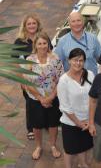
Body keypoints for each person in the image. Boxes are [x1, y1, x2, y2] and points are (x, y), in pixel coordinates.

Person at [24, 32, 64, 160]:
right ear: (35, 45)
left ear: (48, 44)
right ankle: (39, 146)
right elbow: (26, 82)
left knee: (53, 123)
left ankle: (53, 145)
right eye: (39, 43)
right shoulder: (29, 60)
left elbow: (61, 80)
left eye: (44, 43)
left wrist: (51, 97)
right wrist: (41, 98)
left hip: (53, 97)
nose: (42, 46)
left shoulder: (55, 59)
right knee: (36, 125)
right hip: (35, 99)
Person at [14, 13, 52, 141]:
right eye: (28, 24)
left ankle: (46, 124)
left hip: (44, 78)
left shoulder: (43, 37)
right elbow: (15, 63)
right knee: (31, 103)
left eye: (33, 23)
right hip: (29, 80)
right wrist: (22, 80)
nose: (31, 26)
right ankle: (31, 128)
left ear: (38, 25)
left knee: (45, 99)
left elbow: (50, 54)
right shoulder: (19, 42)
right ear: (24, 26)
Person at [57, 48, 94, 168]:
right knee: (70, 151)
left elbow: (94, 98)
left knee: (85, 147)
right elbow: (65, 107)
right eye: (75, 60)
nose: (78, 63)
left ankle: (82, 164)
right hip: (71, 123)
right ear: (69, 61)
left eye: (81, 60)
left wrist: (90, 121)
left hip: (88, 121)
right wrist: (79, 123)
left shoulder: (90, 74)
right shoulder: (63, 81)